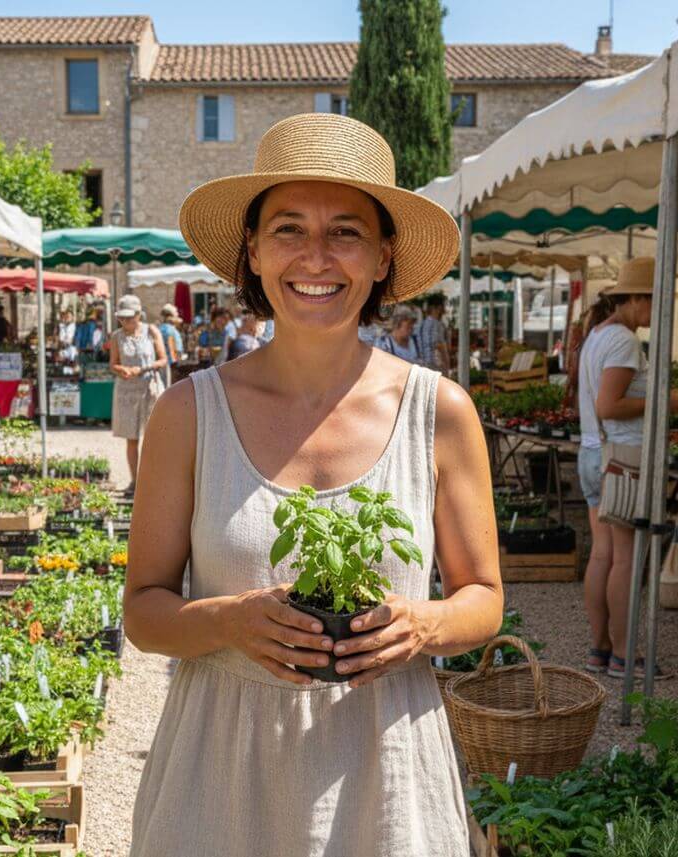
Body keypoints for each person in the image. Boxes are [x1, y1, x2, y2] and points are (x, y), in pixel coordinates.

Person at [124, 113, 502, 857]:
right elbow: (143, 610)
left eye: (347, 232)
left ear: (383, 256)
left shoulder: (440, 412)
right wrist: (229, 619)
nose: (316, 257)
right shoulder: (187, 412)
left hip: (384, 775)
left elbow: (483, 597)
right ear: (255, 253)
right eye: (289, 229)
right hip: (219, 780)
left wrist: (422, 625)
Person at [577, 257, 678, 680]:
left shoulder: (597, 335)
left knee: (603, 554)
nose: (655, 311)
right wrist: (665, 399)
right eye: (654, 301)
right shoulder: (623, 340)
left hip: (593, 453)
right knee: (626, 560)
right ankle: (624, 655)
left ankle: (600, 649)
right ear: (639, 299)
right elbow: (611, 405)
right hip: (621, 458)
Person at [110, 294, 168, 495]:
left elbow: (163, 360)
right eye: (121, 318)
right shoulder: (117, 336)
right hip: (127, 391)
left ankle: (153, 480)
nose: (125, 322)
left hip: (149, 387)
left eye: (128, 318)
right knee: (131, 438)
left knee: (153, 436)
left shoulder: (151, 331)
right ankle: (135, 482)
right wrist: (122, 370)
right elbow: (113, 364)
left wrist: (141, 369)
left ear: (138, 315)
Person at [418, 293, 450, 373]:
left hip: (427, 363)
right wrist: (446, 363)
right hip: (434, 365)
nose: (445, 308)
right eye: (444, 305)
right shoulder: (434, 324)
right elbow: (438, 345)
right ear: (438, 307)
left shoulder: (426, 323)